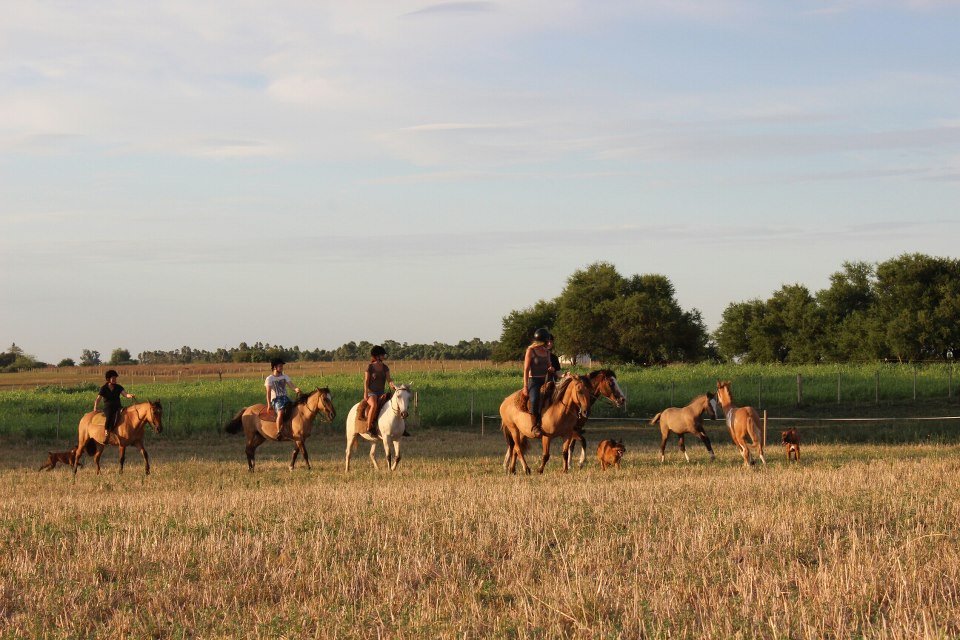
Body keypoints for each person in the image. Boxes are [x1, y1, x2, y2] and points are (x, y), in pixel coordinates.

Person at [521, 328, 555, 437]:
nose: (549, 342)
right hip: (534, 381)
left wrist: (551, 369)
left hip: (545, 380)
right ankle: (534, 426)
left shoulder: (547, 352)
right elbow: (526, 370)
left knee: (558, 395)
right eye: (547, 340)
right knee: (535, 399)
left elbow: (549, 365)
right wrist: (525, 386)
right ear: (543, 341)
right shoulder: (530, 351)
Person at [363, 345, 398, 437]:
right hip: (371, 393)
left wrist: (393, 385)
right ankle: (369, 427)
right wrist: (366, 393)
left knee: (395, 403)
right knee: (374, 405)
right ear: (377, 356)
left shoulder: (385, 367)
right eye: (382, 355)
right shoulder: (369, 367)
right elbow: (366, 381)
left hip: (381, 392)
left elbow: (389, 380)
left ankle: (399, 427)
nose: (384, 356)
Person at [265, 358, 300, 438]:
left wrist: (296, 389)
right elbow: (268, 392)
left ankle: (294, 427)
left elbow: (291, 385)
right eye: (280, 366)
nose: (281, 368)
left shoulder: (285, 377)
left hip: (285, 398)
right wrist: (269, 404)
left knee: (295, 408)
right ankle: (279, 431)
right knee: (280, 412)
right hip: (276, 400)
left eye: (282, 366)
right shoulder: (269, 378)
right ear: (274, 367)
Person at [94, 370, 136, 436]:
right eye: (113, 378)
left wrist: (130, 395)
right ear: (108, 379)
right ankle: (106, 429)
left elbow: (125, 394)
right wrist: (95, 407)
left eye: (115, 378)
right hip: (108, 407)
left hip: (118, 406)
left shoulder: (118, 387)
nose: (114, 379)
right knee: (109, 416)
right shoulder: (104, 388)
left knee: (126, 414)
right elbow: (98, 399)